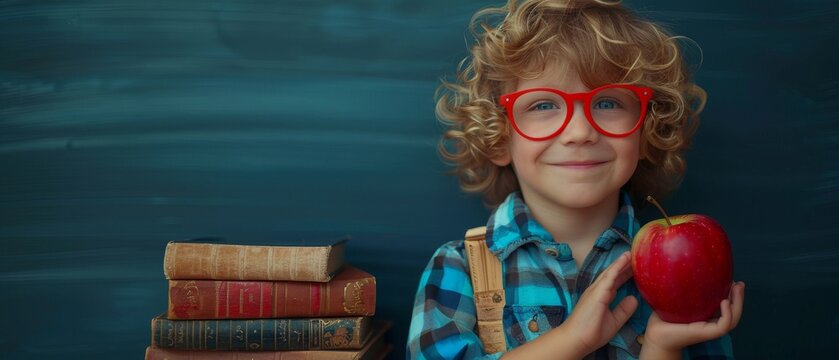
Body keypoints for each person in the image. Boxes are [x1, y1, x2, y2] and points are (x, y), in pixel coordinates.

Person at [406, 0, 746, 359]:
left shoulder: (687, 268)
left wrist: (662, 347)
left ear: (646, 131)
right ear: (499, 137)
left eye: (608, 102)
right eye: (543, 105)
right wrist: (572, 342)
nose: (580, 132)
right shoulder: (460, 268)